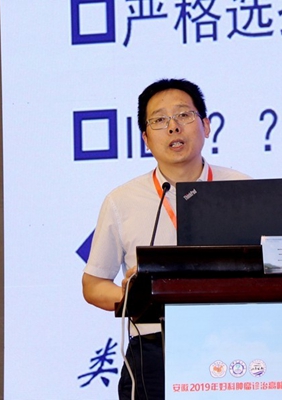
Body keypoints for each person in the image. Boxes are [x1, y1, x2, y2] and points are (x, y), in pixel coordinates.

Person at [82, 78, 249, 399]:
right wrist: (133, 295)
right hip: (154, 351)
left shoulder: (242, 189)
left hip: (237, 346)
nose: (173, 127)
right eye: (159, 120)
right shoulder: (122, 200)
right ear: (146, 139)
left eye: (184, 115)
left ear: (206, 126)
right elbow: (93, 284)